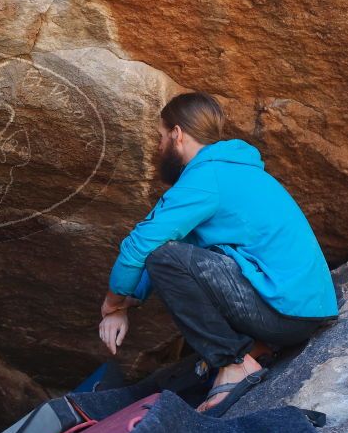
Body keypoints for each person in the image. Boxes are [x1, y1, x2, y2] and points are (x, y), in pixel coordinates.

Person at [98, 91, 338, 414]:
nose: (158, 147)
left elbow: (143, 245)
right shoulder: (233, 171)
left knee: (162, 257)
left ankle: (233, 362)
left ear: (177, 134)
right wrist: (133, 298)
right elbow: (184, 248)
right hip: (308, 311)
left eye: (160, 137)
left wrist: (112, 305)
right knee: (179, 255)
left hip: (287, 315)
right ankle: (257, 347)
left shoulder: (204, 178)